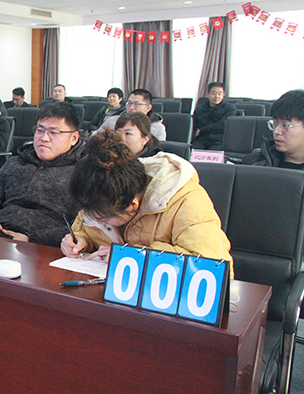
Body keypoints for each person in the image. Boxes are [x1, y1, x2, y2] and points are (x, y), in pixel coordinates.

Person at [61, 130, 232, 274]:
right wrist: (80, 241)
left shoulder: (186, 200)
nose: (97, 221)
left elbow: (211, 265)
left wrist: (133, 256)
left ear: (132, 205)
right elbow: (86, 230)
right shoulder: (98, 195)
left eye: (102, 219)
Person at [244, 89, 304, 296]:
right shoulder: (256, 164)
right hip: (256, 246)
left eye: (286, 125)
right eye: (275, 124)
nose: (277, 132)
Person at [0, 103, 83, 245]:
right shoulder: (15, 163)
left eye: (54, 132)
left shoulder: (83, 173)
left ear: (74, 138)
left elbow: (82, 228)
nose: (44, 138)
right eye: (40, 130)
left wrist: (31, 239)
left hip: (43, 248)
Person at [95, 88, 166, 141]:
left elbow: (158, 151)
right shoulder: (112, 121)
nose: (131, 107)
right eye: (129, 103)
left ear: (148, 108)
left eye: (137, 104)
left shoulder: (157, 128)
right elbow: (95, 138)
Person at [191, 82, 235, 150]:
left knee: (213, 153)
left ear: (223, 95)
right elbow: (193, 125)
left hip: (219, 140)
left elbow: (222, 125)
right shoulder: (200, 109)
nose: (217, 96)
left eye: (219, 94)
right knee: (191, 151)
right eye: (214, 93)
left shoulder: (229, 108)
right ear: (208, 94)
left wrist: (202, 130)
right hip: (201, 139)